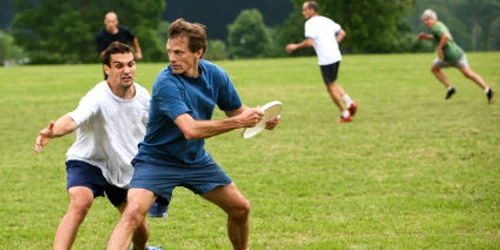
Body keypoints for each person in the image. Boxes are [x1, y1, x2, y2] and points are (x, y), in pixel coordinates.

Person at [106, 18, 280, 250]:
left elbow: (236, 110)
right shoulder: (166, 82)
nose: (172, 58)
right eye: (169, 51)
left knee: (240, 208)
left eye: (179, 52)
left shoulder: (215, 75)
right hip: (157, 160)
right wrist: (239, 122)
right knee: (132, 214)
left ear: (199, 52)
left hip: (195, 160)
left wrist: (260, 116)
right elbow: (190, 129)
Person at [34, 43, 162, 250]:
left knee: (137, 223)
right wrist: (53, 131)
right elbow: (75, 118)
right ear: (107, 69)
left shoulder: (144, 98)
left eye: (130, 64)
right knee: (80, 202)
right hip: (89, 159)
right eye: (119, 66)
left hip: (123, 165)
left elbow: (158, 129)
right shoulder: (98, 95)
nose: (127, 70)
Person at [286, 1, 357, 123]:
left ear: (312, 10)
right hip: (336, 55)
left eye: (304, 10)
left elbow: (309, 42)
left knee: (330, 87)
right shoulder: (326, 20)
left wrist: (295, 46)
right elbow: (342, 33)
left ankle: (345, 114)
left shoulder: (310, 23)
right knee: (332, 83)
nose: (303, 13)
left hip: (326, 58)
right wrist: (333, 43)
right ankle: (350, 103)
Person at [417, 9, 494, 102]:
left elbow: (445, 36)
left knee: (436, 69)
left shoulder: (436, 27)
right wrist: (426, 37)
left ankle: (450, 88)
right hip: (453, 55)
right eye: (424, 20)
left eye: (428, 19)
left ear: (434, 19)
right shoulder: (437, 26)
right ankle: (487, 89)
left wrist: (439, 48)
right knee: (468, 74)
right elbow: (438, 37)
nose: (426, 22)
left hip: (452, 56)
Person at [96, 12, 142, 79]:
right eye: (108, 21)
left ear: (117, 22)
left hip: (125, 61)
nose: (111, 24)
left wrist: (138, 51)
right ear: (105, 22)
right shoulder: (101, 36)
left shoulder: (124, 31)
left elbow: (134, 39)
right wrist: (112, 48)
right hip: (111, 65)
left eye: (113, 21)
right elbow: (102, 55)